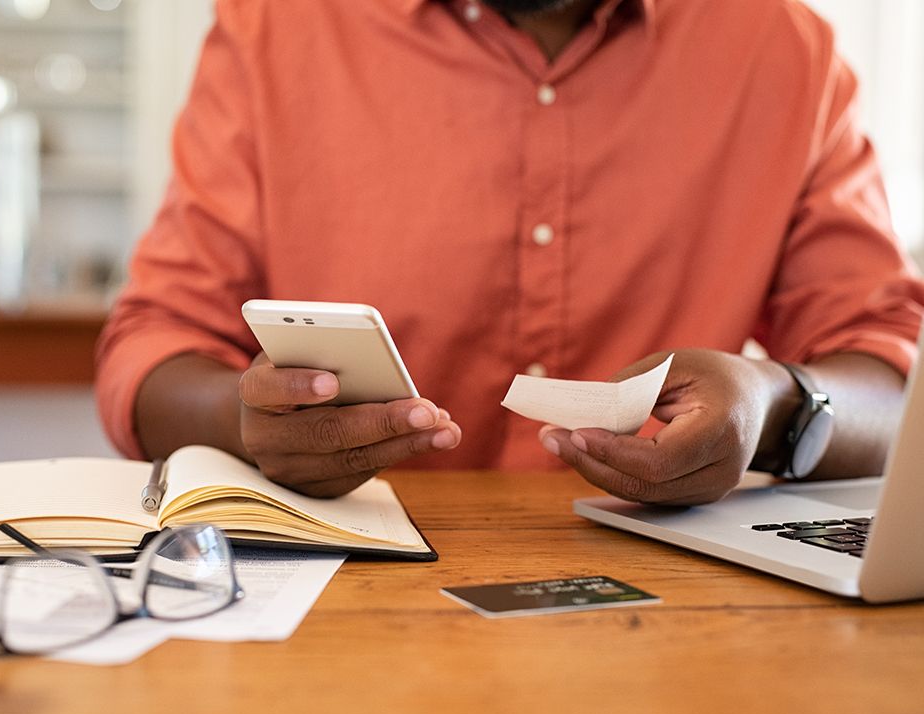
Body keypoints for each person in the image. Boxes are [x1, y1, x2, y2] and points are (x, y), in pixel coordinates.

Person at [96, 0, 924, 505]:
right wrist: (248, 425)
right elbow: (150, 346)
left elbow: (894, 378)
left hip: (674, 598)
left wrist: (774, 409)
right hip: (345, 598)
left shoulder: (786, 50)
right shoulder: (275, 28)